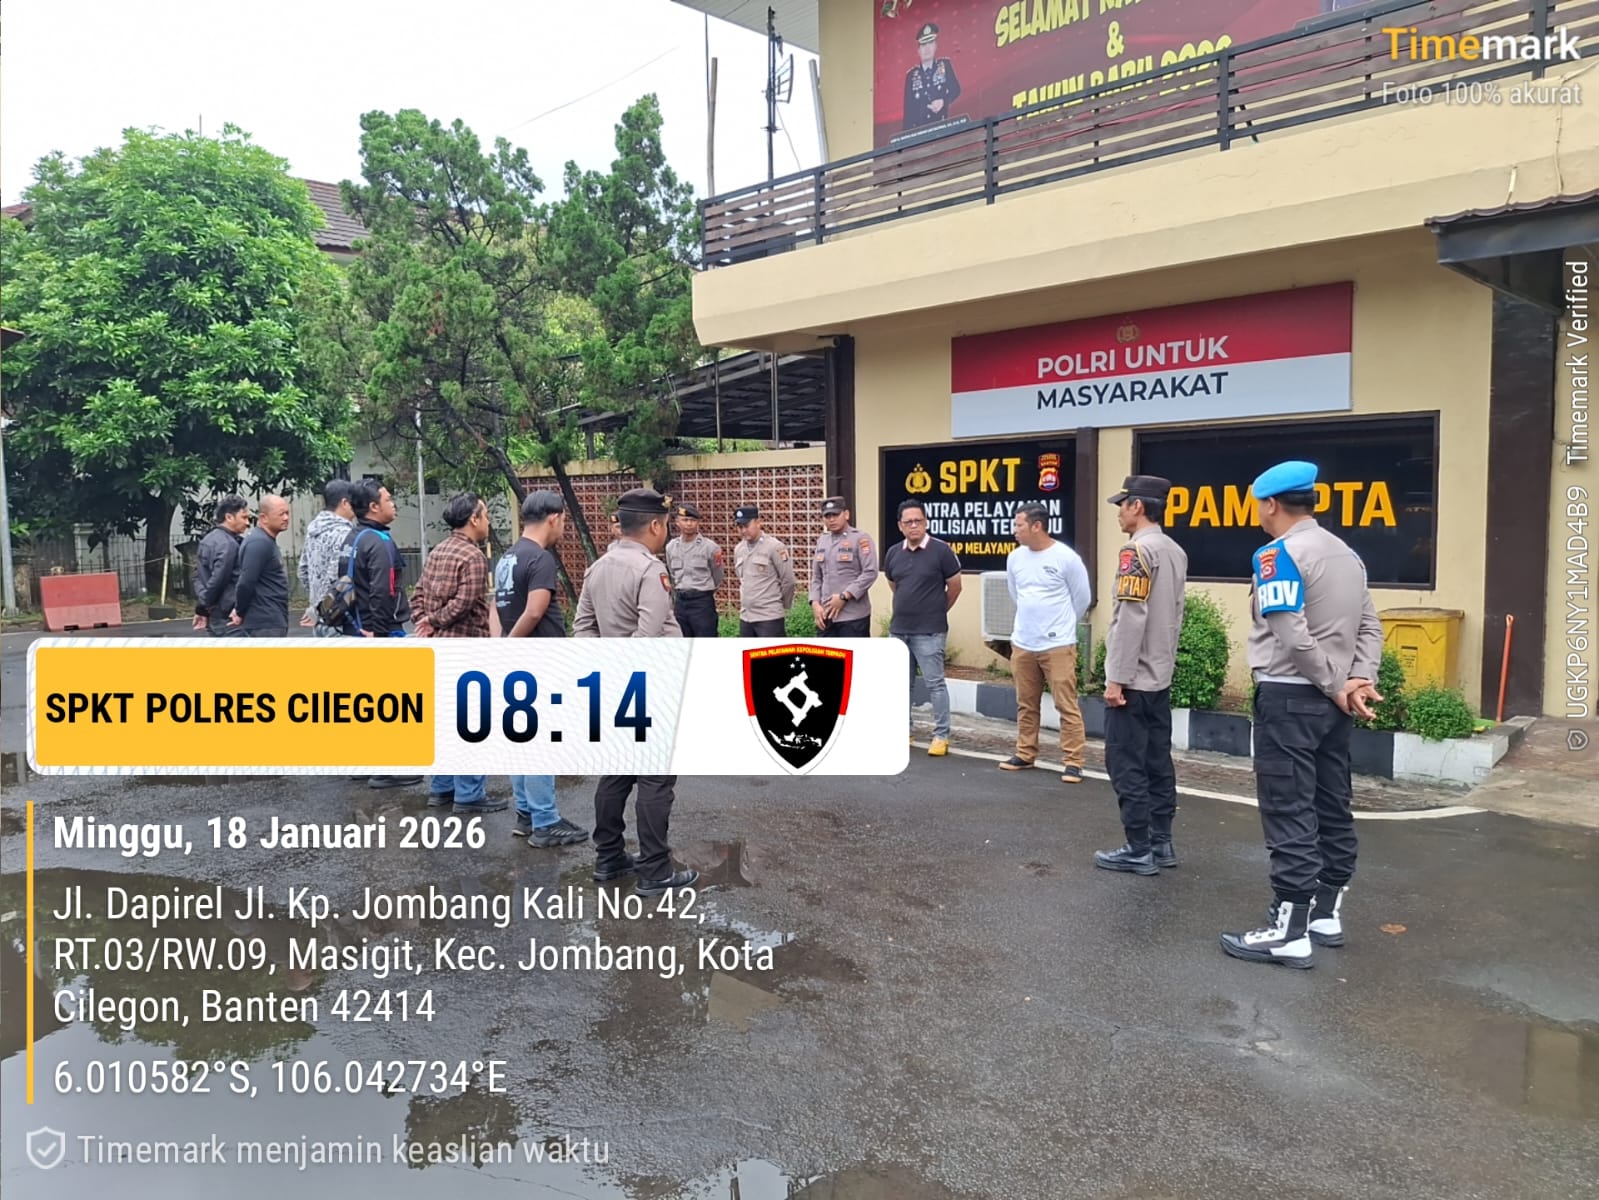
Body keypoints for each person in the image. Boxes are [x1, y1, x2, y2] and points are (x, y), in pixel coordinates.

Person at [1220, 461, 1383, 970]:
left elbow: (1290, 632)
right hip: (1334, 705)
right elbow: (1370, 626)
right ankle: (1325, 914)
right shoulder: (1347, 555)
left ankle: (1288, 933)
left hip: (1290, 697)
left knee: (1288, 808)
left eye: (1257, 504)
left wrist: (1335, 685)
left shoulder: (1277, 555)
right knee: (1331, 803)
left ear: (1270, 504)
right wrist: (1358, 679)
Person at [573, 488, 698, 895]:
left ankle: (609, 857)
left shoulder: (597, 568)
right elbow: (648, 635)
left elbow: (583, 627)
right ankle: (655, 869)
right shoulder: (649, 570)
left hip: (613, 685)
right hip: (649, 684)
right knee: (655, 780)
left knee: (616, 773)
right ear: (656, 525)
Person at [1093, 476, 1189, 876]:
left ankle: (1138, 847)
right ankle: (1161, 841)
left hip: (1133, 679)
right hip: (1159, 677)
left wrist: (1116, 678)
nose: (1119, 511)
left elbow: (1130, 618)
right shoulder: (1174, 550)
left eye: (1122, 504)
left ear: (1137, 506)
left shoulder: (1136, 550)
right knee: (1157, 761)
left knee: (1126, 763)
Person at [494, 490, 588, 847]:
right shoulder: (540, 558)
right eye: (563, 520)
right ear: (553, 518)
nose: (563, 526)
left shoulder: (508, 556)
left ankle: (526, 813)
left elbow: (495, 606)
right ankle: (546, 820)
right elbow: (535, 611)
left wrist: (502, 643)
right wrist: (512, 643)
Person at [413, 493, 505, 816]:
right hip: (468, 648)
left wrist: (424, 622)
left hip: (439, 648)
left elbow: (417, 593)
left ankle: (442, 787)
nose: (488, 521)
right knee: (471, 723)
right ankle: (469, 793)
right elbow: (464, 603)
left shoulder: (438, 551)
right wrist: (434, 620)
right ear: (473, 519)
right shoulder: (474, 557)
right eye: (485, 514)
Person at [999, 503, 1093, 783]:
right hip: (1023, 642)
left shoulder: (1066, 558)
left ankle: (1073, 761)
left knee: (1066, 704)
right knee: (1026, 703)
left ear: (1037, 526)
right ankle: (1025, 753)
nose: (1014, 530)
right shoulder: (1015, 558)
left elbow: (1082, 599)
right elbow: (1016, 594)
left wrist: (1061, 627)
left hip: (1058, 644)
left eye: (1019, 525)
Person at [340, 479, 420, 790]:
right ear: (374, 507)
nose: (393, 503)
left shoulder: (353, 537)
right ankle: (389, 769)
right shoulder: (380, 541)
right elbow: (383, 590)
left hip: (354, 628)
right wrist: (381, 632)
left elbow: (343, 585)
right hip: (379, 632)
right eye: (388, 499)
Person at [883, 498, 962, 756]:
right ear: (900, 526)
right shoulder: (893, 553)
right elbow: (894, 585)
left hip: (930, 631)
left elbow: (955, 586)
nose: (914, 526)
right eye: (908, 522)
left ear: (926, 522)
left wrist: (937, 610)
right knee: (900, 684)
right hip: (899, 630)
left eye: (918, 521)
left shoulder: (941, 551)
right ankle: (903, 730)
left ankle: (941, 736)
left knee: (935, 684)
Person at [811, 496, 879, 638]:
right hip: (826, 615)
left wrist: (845, 596)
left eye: (835, 515)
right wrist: (815, 604)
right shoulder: (822, 541)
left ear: (846, 514)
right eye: (827, 516)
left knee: (854, 653)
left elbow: (870, 572)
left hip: (853, 617)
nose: (831, 519)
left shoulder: (860, 538)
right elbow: (817, 577)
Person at [299, 479, 356, 637]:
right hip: (339, 619)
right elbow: (335, 575)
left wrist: (316, 603)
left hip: (318, 620)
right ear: (345, 503)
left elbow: (303, 570)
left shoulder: (313, 530)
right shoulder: (345, 533)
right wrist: (328, 604)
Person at [230, 495, 292, 637]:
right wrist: (239, 611)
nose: (286, 518)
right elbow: (246, 582)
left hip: (271, 619)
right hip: (264, 622)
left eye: (287, 513)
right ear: (264, 518)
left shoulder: (265, 540)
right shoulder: (258, 543)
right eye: (281, 514)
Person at [733, 505, 796, 637]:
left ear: (758, 523)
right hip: (746, 617)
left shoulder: (774, 547)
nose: (743, 530)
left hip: (769, 618)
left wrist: (779, 605)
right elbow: (742, 579)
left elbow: (788, 581)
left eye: (746, 526)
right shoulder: (739, 549)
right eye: (739, 527)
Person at [664, 502, 724, 638]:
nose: (689, 524)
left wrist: (705, 590)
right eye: (685, 520)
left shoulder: (710, 547)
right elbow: (672, 573)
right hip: (681, 602)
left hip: (702, 603)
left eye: (693, 520)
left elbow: (718, 575)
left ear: (698, 523)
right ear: (677, 522)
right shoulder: (671, 547)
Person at [193, 496, 249, 636]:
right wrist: (204, 606)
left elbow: (197, 575)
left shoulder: (207, 540)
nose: (247, 523)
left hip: (213, 613)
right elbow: (219, 579)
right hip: (228, 614)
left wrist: (203, 605)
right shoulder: (229, 544)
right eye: (244, 517)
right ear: (229, 517)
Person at [903, 22, 961, 131]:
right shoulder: (911, 76)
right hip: (920, 131)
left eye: (930, 43)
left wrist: (943, 101)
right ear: (918, 51)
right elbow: (908, 112)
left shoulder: (944, 65)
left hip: (942, 127)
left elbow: (956, 90)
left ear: (935, 46)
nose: (927, 48)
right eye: (923, 45)